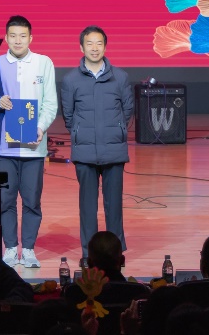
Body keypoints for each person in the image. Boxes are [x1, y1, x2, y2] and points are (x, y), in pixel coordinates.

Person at [0, 15, 58, 268]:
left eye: (22, 36)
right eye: (12, 36)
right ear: (6, 38)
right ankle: (11, 248)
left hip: (34, 148)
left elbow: (50, 103)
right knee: (6, 199)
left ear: (30, 38)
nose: (17, 40)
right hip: (3, 148)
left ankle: (29, 249)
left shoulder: (44, 63)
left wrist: (40, 127)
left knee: (32, 200)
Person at [59, 25, 132, 265]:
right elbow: (68, 116)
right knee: (88, 207)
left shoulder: (120, 77)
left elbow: (127, 111)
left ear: (105, 46)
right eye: (89, 43)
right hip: (85, 152)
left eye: (99, 43)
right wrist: (80, 133)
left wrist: (117, 131)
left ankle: (115, 254)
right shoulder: (70, 80)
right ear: (81, 47)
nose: (94, 48)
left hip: (114, 151)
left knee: (114, 207)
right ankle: (88, 253)